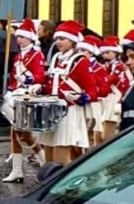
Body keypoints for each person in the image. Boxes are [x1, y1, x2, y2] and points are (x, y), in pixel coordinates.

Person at [36, 21, 96, 165]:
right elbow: (51, 83)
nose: (58, 42)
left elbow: (92, 90)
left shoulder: (81, 61)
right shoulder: (56, 58)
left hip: (69, 112)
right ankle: (49, 184)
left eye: (62, 39)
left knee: (61, 158)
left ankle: (64, 185)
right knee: (48, 157)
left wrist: (82, 97)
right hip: (52, 109)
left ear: (73, 41)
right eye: (57, 39)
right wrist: (41, 88)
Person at [2, 18, 47, 183]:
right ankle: (17, 170)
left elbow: (40, 76)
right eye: (18, 37)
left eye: (22, 37)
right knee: (15, 134)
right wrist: (11, 90)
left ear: (30, 38)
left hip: (28, 95)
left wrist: (28, 80)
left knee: (25, 134)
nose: (19, 39)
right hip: (16, 96)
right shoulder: (18, 57)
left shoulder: (36, 54)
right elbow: (14, 79)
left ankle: (44, 163)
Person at [99, 36, 126, 142]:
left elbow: (110, 79)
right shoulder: (104, 64)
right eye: (103, 53)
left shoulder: (119, 65)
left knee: (107, 133)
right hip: (107, 96)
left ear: (116, 52)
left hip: (115, 97)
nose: (105, 55)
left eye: (108, 52)